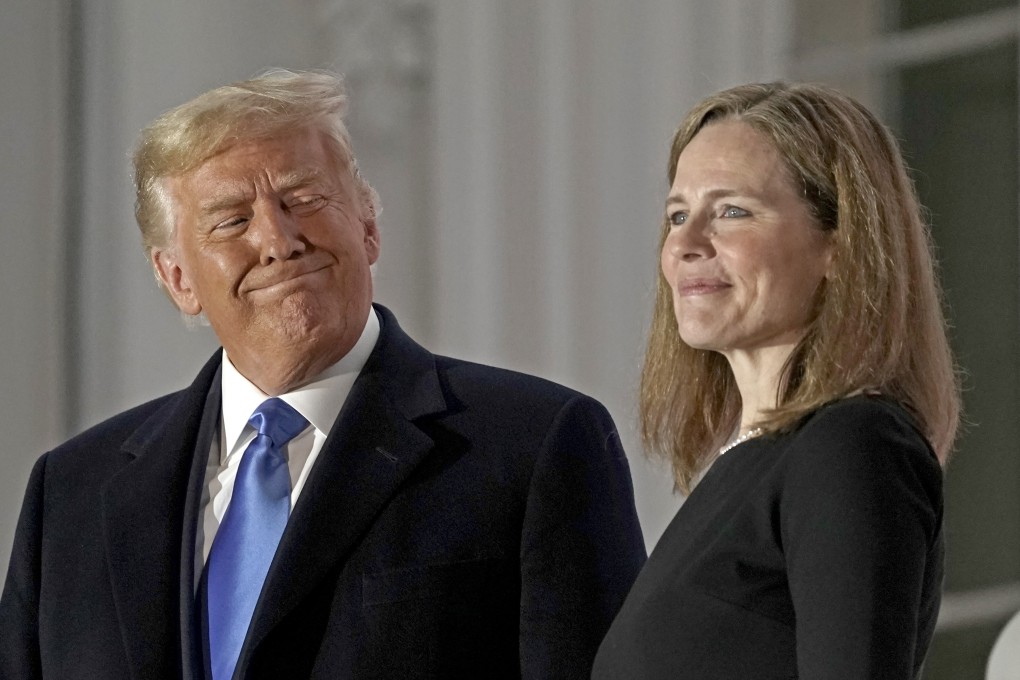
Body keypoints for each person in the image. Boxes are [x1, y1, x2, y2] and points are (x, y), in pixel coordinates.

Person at [0, 69, 646, 680]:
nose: (279, 240)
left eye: (304, 199)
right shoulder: (73, 492)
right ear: (177, 278)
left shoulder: (533, 444)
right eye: (231, 220)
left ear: (367, 225)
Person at [592, 82, 960, 679]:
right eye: (678, 215)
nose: (683, 243)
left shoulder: (852, 447)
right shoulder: (749, 465)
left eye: (731, 211)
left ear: (839, 247)